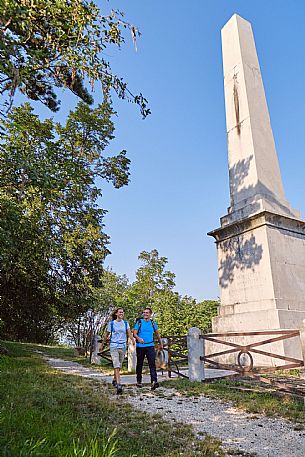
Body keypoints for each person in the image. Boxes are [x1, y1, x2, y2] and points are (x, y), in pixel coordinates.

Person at [99, 308, 134, 394]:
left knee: (119, 364)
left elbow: (129, 333)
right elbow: (106, 335)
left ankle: (114, 380)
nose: (122, 313)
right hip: (114, 346)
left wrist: (133, 340)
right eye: (120, 312)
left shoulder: (125, 323)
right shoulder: (111, 324)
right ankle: (119, 384)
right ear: (116, 314)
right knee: (116, 364)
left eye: (122, 312)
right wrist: (102, 345)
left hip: (123, 346)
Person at [133, 307, 163, 390]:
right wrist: (139, 339)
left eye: (147, 313)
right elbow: (134, 333)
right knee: (140, 364)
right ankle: (139, 381)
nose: (145, 314)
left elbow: (157, 334)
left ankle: (154, 381)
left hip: (150, 346)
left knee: (152, 364)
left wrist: (161, 343)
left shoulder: (153, 323)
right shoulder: (139, 322)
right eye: (144, 312)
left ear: (150, 314)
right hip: (140, 346)